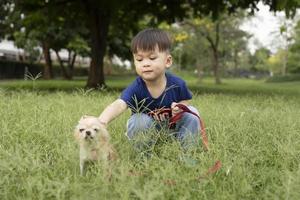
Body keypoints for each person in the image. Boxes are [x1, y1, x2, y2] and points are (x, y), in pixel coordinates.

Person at [98, 28, 201, 149]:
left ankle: (188, 153)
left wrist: (180, 107)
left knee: (192, 112)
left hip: (171, 130)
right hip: (146, 132)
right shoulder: (136, 87)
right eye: (139, 59)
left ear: (167, 61)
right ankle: (142, 156)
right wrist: (101, 122)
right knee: (139, 120)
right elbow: (120, 104)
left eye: (152, 58)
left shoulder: (177, 83)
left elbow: (185, 100)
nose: (145, 63)